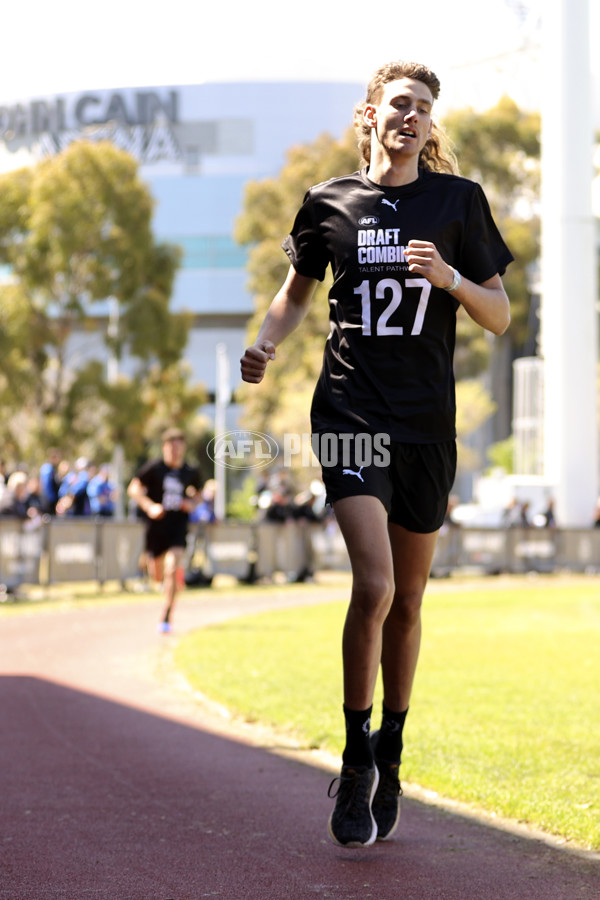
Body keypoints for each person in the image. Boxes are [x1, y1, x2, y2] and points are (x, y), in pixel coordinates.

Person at [240, 60, 512, 848]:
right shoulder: (330, 201)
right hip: (352, 411)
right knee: (376, 583)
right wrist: (264, 344)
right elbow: (295, 295)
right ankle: (356, 752)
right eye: (399, 104)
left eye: (423, 109)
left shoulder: (457, 202)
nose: (411, 117)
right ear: (369, 114)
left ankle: (393, 747)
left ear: (432, 125)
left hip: (429, 424)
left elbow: (497, 315)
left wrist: (453, 276)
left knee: (411, 604)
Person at [127, 427, 201, 633]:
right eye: (171, 448)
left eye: (178, 447)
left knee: (171, 569)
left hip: (177, 526)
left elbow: (200, 492)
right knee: (157, 575)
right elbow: (133, 488)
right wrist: (149, 506)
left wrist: (192, 503)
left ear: (183, 448)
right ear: (164, 448)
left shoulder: (190, 471)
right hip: (156, 528)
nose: (175, 452)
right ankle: (170, 585)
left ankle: (167, 615)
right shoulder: (154, 468)